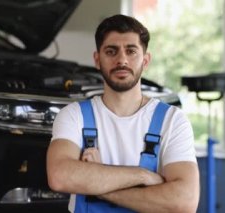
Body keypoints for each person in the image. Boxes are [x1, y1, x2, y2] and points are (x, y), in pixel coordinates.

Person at [46, 14, 199, 213]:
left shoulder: (172, 121)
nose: (122, 60)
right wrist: (142, 176)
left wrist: (98, 184)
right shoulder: (74, 116)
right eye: (111, 51)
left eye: (131, 51)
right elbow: (60, 176)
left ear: (145, 60)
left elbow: (184, 202)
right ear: (97, 59)